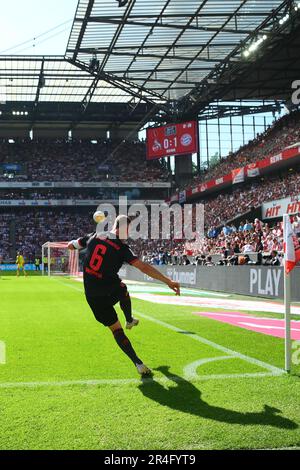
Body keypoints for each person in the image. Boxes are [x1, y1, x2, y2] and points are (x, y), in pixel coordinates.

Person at [68, 215, 180, 377]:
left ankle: (138, 363)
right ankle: (129, 319)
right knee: (122, 289)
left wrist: (71, 245)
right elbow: (143, 267)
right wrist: (167, 281)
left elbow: (72, 245)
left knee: (116, 330)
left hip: (92, 297)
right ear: (122, 228)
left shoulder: (94, 235)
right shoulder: (121, 248)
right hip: (109, 290)